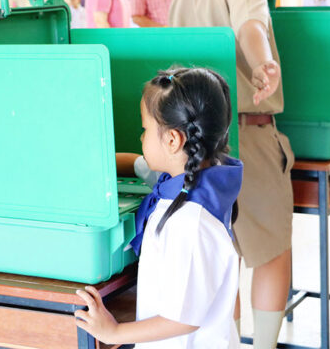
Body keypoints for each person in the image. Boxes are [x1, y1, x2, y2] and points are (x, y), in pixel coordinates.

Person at [169, 0, 293, 348]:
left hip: (197, 142)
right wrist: (264, 64)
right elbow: (251, 26)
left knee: (223, 259)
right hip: (247, 135)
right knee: (272, 249)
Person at [74, 67, 241, 348]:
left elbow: (183, 318)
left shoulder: (189, 222)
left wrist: (117, 333)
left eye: (145, 129)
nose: (141, 137)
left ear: (173, 140)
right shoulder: (198, 184)